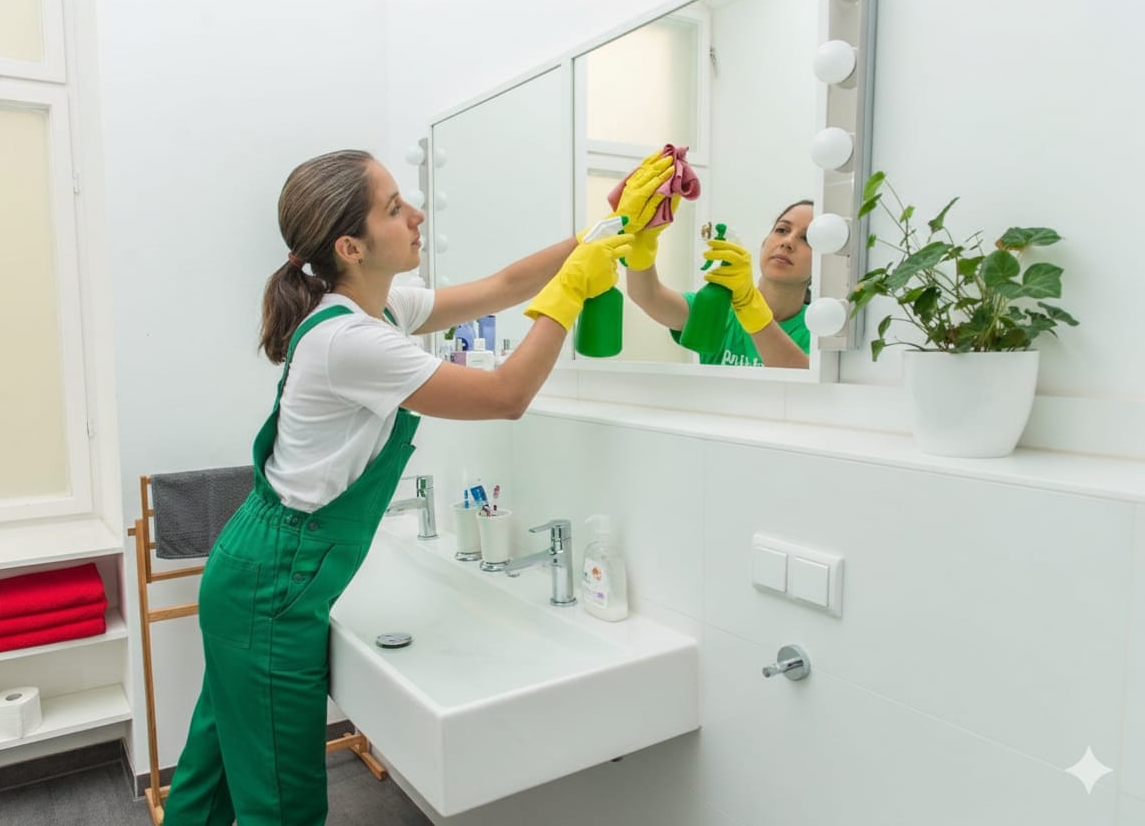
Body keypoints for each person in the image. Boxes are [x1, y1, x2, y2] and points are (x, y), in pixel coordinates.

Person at [160, 148, 673, 826]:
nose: (417, 215)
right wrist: (573, 290)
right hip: (271, 585)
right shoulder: (351, 342)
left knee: (213, 774)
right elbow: (506, 394)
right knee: (280, 806)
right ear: (350, 245)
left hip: (256, 569)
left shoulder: (376, 309)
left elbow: (504, 283)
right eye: (395, 206)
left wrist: (607, 232)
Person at [624, 199, 814, 368]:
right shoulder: (719, 309)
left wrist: (750, 306)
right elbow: (647, 295)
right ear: (765, 242)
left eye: (807, 239)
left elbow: (801, 378)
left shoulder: (819, 329)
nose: (787, 242)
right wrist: (641, 246)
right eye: (782, 230)